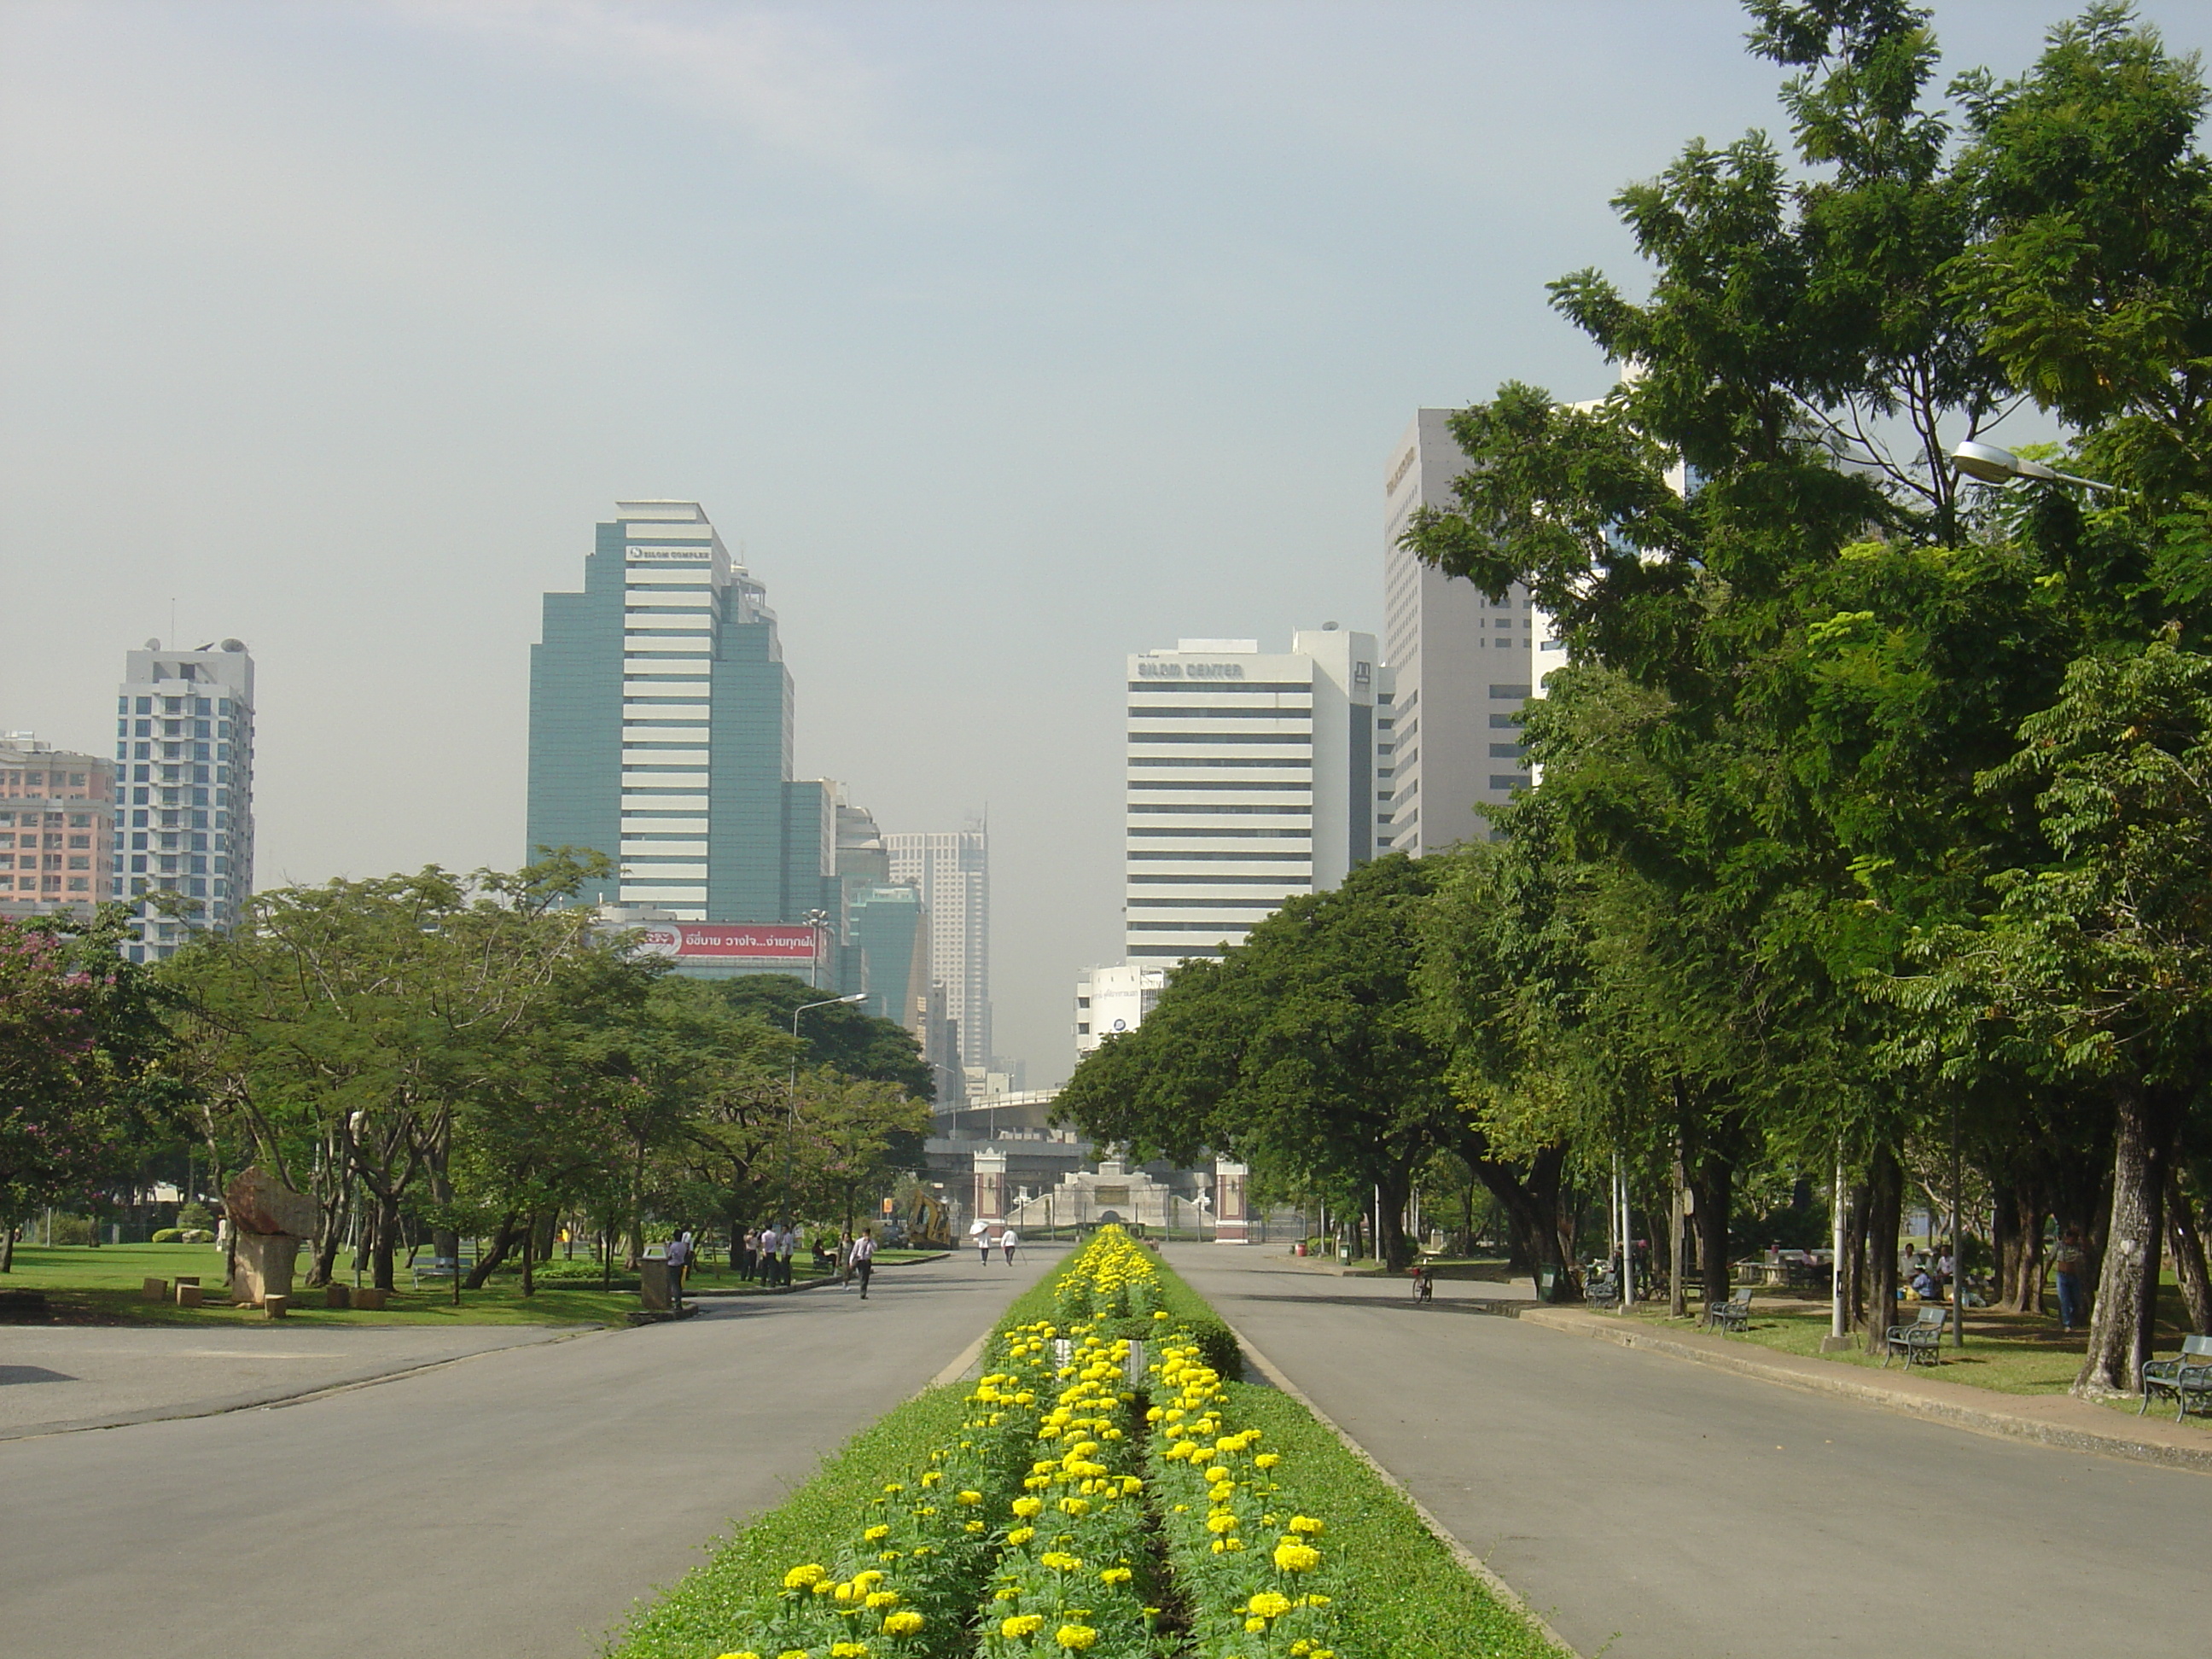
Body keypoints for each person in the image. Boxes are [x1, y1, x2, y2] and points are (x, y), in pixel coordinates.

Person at [2054, 1227, 2088, 1333]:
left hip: (2074, 1276)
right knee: (2064, 1301)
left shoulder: (2078, 1247)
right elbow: (2051, 1259)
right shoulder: (2059, 1246)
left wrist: (2081, 1236)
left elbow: (2087, 1250)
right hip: (2062, 1276)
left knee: (2076, 1300)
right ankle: (2067, 1324)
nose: (2071, 1241)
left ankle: (2075, 1319)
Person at [665, 1230, 690, 1310]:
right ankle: (679, 1302)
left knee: (674, 1285)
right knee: (678, 1284)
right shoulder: (683, 1246)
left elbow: (669, 1256)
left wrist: (667, 1247)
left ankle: (677, 1303)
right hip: (680, 1265)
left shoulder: (673, 1246)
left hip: (673, 1265)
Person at [852, 1226, 877, 1299]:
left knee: (866, 1277)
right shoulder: (859, 1242)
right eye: (864, 1233)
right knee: (862, 1276)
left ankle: (863, 1292)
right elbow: (854, 1251)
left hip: (867, 1260)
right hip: (860, 1260)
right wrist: (851, 1261)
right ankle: (862, 1292)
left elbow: (875, 1249)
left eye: (867, 1234)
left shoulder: (872, 1242)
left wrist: (870, 1242)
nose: (865, 1235)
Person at [777, 1220, 796, 1289]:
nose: (783, 1230)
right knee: (784, 1266)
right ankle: (786, 1280)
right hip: (785, 1252)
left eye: (784, 1229)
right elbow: (782, 1243)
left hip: (787, 1253)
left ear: (787, 1229)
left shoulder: (788, 1236)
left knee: (785, 1267)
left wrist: (785, 1253)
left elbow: (787, 1245)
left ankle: (786, 1281)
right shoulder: (785, 1236)